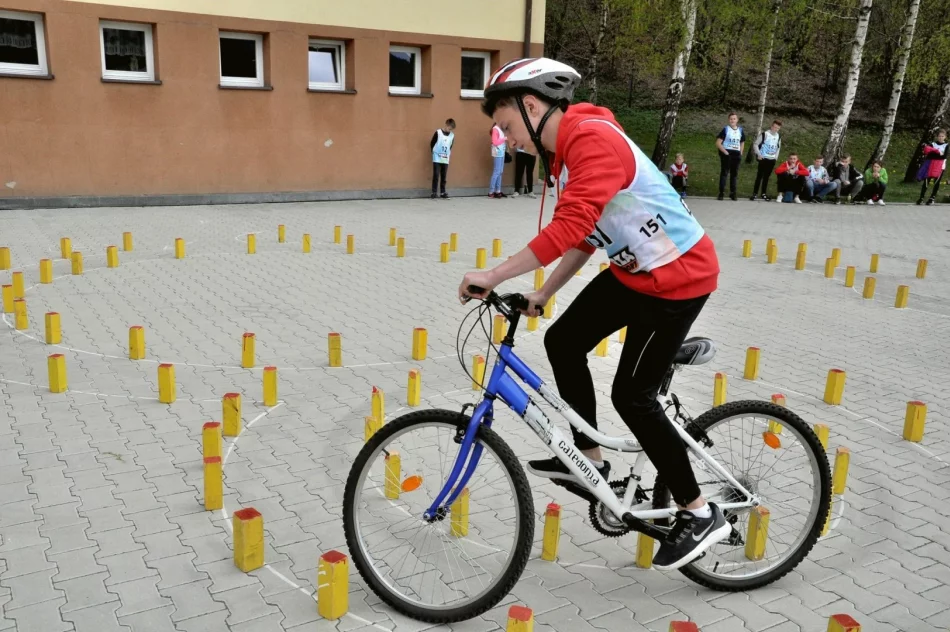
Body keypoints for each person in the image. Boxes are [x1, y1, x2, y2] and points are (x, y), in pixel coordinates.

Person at [457, 57, 729, 572]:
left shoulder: (592, 140)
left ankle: (699, 513)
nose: (509, 138)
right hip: (635, 272)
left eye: (508, 126)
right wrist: (544, 291)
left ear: (532, 106)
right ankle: (593, 461)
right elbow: (587, 234)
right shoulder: (565, 155)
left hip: (678, 278)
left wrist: (494, 275)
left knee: (632, 395)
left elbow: (569, 225)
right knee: (562, 342)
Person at [715, 112, 745, 201]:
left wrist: (741, 152)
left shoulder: (740, 130)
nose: (732, 120)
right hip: (727, 154)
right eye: (731, 119)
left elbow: (742, 142)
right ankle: (721, 193)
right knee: (724, 174)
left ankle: (733, 193)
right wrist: (725, 152)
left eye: (734, 119)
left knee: (734, 175)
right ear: (729, 120)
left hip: (736, 154)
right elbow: (718, 143)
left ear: (737, 120)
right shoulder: (726, 129)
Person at [750, 120, 782, 201]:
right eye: (774, 127)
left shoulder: (778, 136)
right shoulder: (765, 134)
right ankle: (755, 193)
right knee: (759, 176)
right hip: (763, 158)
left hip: (771, 159)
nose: (775, 129)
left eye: (777, 128)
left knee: (766, 177)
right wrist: (759, 154)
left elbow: (778, 148)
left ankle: (763, 193)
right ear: (771, 126)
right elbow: (756, 144)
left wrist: (775, 158)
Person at [917, 128, 947, 205]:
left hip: (940, 167)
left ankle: (932, 198)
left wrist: (935, 154)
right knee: (926, 182)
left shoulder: (946, 145)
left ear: (945, 137)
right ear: (937, 136)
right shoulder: (933, 144)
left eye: (942, 136)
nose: (941, 138)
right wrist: (937, 153)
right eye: (939, 136)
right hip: (930, 165)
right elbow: (928, 154)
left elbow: (944, 156)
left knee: (936, 182)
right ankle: (921, 198)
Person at [430, 118, 456, 199]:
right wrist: (434, 152)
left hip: (445, 158)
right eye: (449, 128)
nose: (449, 131)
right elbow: (432, 143)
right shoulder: (438, 132)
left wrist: (447, 153)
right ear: (446, 125)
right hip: (437, 157)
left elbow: (450, 145)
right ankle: (434, 192)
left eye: (451, 129)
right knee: (436, 175)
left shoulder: (452, 135)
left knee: (444, 176)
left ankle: (442, 192)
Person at [489, 123, 507, 198]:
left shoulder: (501, 129)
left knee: (500, 171)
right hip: (497, 152)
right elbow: (495, 142)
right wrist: (504, 139)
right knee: (496, 171)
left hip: (502, 151)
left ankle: (498, 190)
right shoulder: (495, 129)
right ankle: (491, 191)